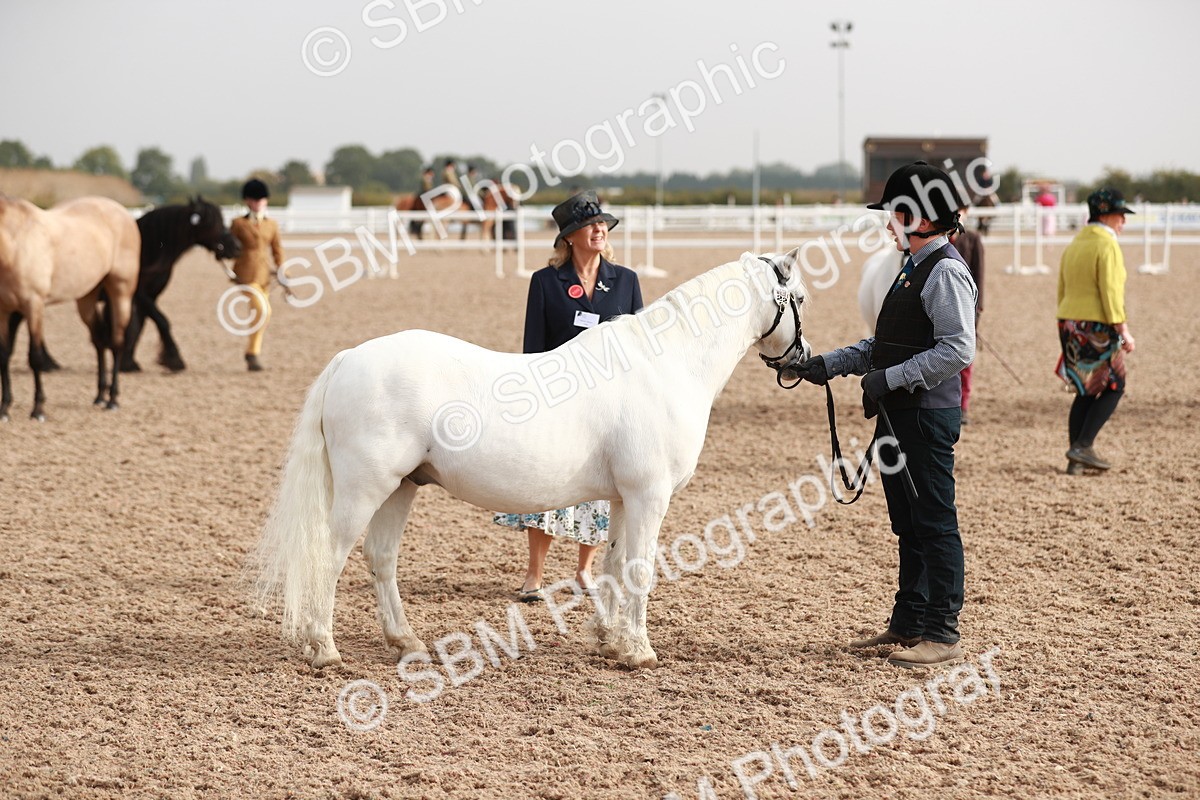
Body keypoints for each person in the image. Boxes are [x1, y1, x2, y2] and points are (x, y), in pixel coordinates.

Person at [785, 161, 977, 668]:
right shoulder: (910, 268)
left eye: (893, 214)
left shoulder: (946, 271)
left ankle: (942, 630)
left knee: (934, 522)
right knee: (908, 523)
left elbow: (958, 349)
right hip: (897, 417)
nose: (886, 224)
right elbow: (884, 344)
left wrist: (888, 379)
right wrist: (828, 364)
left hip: (925, 417)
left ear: (918, 216)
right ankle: (909, 621)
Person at [493, 190, 644, 601]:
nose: (599, 230)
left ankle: (584, 570)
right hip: (558, 399)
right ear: (569, 237)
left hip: (608, 402)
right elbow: (534, 347)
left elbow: (639, 347)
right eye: (589, 225)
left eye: (602, 224)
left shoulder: (626, 281)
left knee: (599, 490)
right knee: (546, 485)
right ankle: (534, 575)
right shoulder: (545, 282)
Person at [1056, 188, 1136, 475]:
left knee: (1086, 389)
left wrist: (1067, 324)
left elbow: (1062, 286)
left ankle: (1075, 460)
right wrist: (1123, 329)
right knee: (1116, 385)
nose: (1123, 222)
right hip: (1097, 324)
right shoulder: (1107, 245)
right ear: (1105, 214)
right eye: (1120, 215)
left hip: (1069, 321)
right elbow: (1111, 291)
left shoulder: (1075, 242)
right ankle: (1083, 445)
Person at [228, 178, 284, 371]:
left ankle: (252, 353)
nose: (259, 203)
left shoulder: (272, 225)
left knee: (261, 315)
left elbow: (277, 249)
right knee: (263, 310)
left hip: (264, 277)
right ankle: (253, 352)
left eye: (261, 200)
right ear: (247, 201)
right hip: (245, 275)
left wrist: (282, 267)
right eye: (255, 200)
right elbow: (229, 244)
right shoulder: (238, 224)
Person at [951, 201, 985, 424]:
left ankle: (963, 405)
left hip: (966, 309)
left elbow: (979, 277)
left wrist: (977, 310)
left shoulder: (972, 239)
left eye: (961, 211)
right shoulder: (939, 240)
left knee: (965, 359)